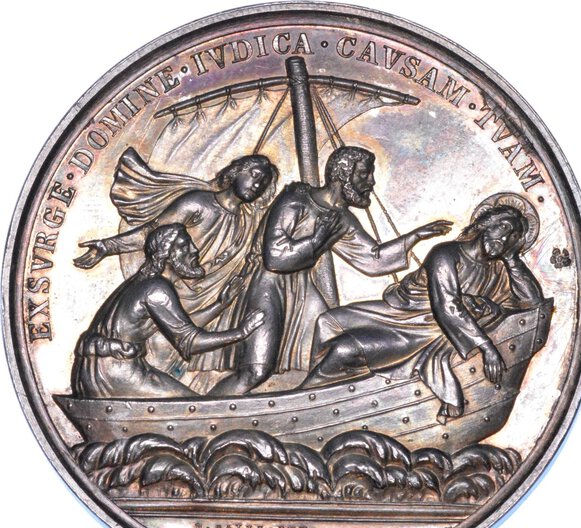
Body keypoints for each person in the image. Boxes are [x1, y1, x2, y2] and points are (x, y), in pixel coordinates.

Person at [209, 146, 452, 396]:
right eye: (364, 174)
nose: (370, 182)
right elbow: (275, 258)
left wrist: (415, 237)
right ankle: (207, 410)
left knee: (327, 349)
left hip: (301, 291)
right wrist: (316, 240)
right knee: (255, 371)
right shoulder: (296, 200)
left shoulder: (341, 218)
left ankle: (307, 406)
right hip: (268, 286)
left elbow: (372, 259)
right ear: (343, 174)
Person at [301, 196, 544, 422]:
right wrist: (487, 347)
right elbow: (447, 305)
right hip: (404, 315)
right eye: (503, 228)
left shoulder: (499, 270)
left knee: (344, 349)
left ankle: (306, 400)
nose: (505, 238)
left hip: (428, 333)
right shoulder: (447, 254)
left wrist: (512, 259)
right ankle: (324, 392)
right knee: (328, 321)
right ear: (485, 225)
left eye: (513, 236)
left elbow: (533, 303)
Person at [74, 148, 278, 374]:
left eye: (264, 183)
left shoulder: (247, 222)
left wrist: (223, 301)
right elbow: (152, 232)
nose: (257, 184)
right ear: (236, 172)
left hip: (207, 296)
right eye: (254, 175)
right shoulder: (198, 203)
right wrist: (108, 246)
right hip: (172, 288)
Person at [72, 224, 264, 399]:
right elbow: (189, 342)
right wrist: (240, 332)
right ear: (166, 254)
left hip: (98, 368)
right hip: (115, 372)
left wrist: (220, 304)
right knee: (194, 408)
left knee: (192, 404)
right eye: (184, 246)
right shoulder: (157, 289)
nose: (194, 250)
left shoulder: (142, 282)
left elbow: (179, 327)